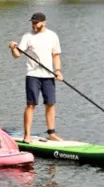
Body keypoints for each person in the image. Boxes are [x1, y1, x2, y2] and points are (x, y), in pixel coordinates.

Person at [8, 11, 63, 142]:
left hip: (48, 75)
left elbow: (56, 55)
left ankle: (51, 133)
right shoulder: (28, 37)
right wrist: (12, 47)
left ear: (43, 22)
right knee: (31, 105)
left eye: (36, 23)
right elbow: (17, 55)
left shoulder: (52, 36)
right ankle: (27, 135)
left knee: (50, 104)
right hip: (32, 75)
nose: (34, 25)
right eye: (32, 23)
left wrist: (58, 70)